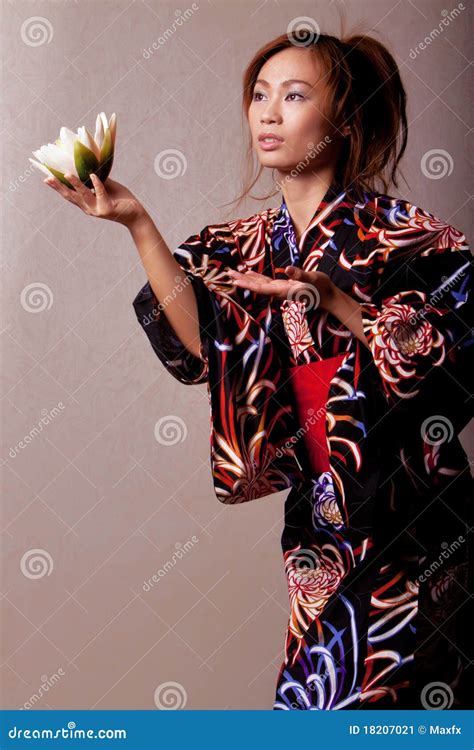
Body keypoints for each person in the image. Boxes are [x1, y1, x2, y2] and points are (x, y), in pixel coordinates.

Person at [44, 29, 473, 710]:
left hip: (411, 520)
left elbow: (452, 351)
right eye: (260, 96)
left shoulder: (409, 237)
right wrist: (136, 222)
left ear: (346, 120)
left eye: (294, 96)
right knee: (316, 700)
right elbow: (203, 342)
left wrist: (338, 303)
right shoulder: (243, 245)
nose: (268, 114)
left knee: (383, 702)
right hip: (321, 524)